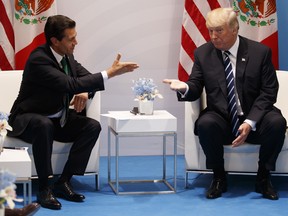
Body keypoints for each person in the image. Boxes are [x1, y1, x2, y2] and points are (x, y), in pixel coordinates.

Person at [7, 15, 139, 210]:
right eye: (71, 39)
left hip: (56, 120)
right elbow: (70, 84)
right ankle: (45, 188)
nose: (76, 42)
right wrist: (110, 73)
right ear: (55, 41)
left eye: (75, 37)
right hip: (27, 120)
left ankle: (64, 181)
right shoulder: (39, 59)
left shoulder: (68, 57)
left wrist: (85, 91)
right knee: (43, 124)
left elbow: (85, 79)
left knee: (91, 126)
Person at [163, 8, 286, 200]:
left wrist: (250, 122)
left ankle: (263, 177)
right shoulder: (203, 54)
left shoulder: (259, 52)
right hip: (222, 118)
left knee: (276, 122)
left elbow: (269, 92)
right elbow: (195, 85)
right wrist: (184, 87)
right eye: (210, 30)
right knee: (206, 123)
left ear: (235, 28)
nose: (213, 36)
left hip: (255, 119)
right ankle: (219, 177)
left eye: (219, 30)